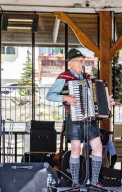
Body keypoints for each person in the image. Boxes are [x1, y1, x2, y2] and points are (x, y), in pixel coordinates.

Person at [46, 48, 110, 188]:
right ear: (71, 63)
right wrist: (65, 97)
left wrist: (106, 102)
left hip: (90, 119)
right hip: (74, 118)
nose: (83, 63)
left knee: (98, 147)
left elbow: (96, 99)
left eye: (83, 60)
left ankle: (94, 181)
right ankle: (75, 181)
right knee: (75, 149)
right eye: (80, 60)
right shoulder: (64, 77)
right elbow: (49, 95)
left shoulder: (88, 78)